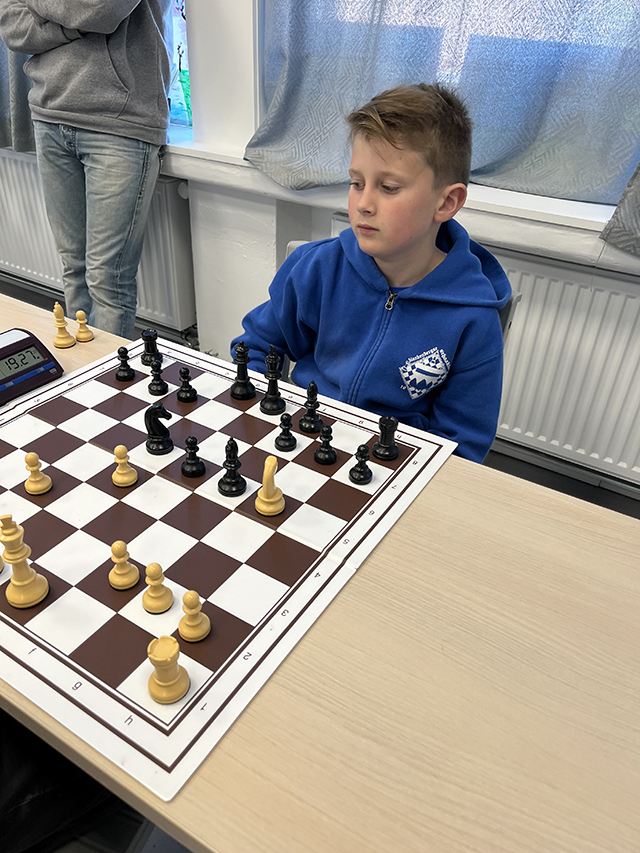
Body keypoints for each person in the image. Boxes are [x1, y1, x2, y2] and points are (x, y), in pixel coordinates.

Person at [232, 83, 512, 463]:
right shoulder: (317, 268)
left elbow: (462, 446)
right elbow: (254, 348)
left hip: (392, 468)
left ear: (447, 202)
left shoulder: (473, 320)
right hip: (303, 443)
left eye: (388, 187)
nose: (363, 204)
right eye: (356, 183)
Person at [0, 1, 172, 338]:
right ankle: (85, 365)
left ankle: (108, 369)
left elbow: (100, 11)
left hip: (121, 121)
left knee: (108, 279)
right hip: (49, 115)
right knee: (74, 268)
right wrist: (74, 25)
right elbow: (12, 28)